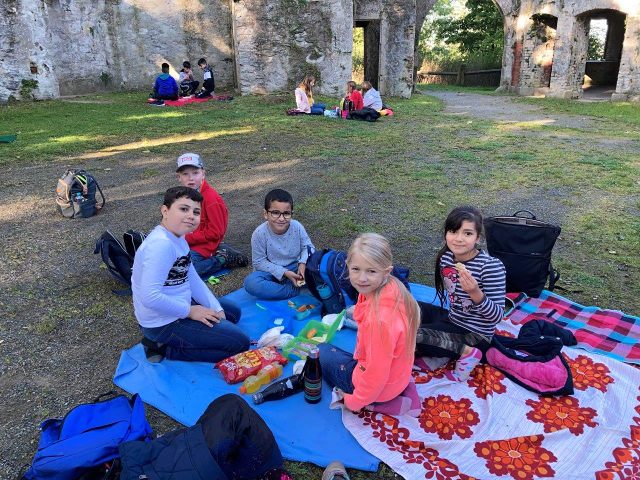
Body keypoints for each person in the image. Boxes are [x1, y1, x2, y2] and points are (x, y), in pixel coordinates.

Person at [132, 186, 250, 363]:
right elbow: (150, 297)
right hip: (163, 322)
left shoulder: (179, 237)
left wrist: (216, 308)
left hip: (180, 302)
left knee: (232, 313)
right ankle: (161, 346)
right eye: (183, 209)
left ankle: (191, 328)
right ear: (165, 211)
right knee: (239, 344)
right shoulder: (160, 245)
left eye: (196, 212)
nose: (191, 216)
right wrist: (191, 311)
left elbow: (193, 279)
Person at [318, 233, 420, 415]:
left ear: (386, 272)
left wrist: (353, 401)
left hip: (381, 390)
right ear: (348, 266)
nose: (362, 278)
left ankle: (380, 405)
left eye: (371, 271)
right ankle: (403, 390)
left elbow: (375, 375)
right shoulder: (393, 287)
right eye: (356, 269)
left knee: (321, 352)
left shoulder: (379, 322)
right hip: (399, 377)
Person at [416, 205, 506, 381]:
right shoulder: (446, 258)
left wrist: (475, 293)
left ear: (478, 238)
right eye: (453, 231)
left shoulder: (490, 267)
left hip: (476, 336)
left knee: (411, 335)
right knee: (407, 307)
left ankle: (465, 353)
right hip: (453, 320)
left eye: (467, 233)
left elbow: (496, 317)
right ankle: (441, 352)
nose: (458, 239)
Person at [175, 152, 248, 280]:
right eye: (185, 174)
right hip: (185, 242)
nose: (190, 178)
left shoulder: (211, 199)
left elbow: (216, 232)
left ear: (203, 173)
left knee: (183, 271)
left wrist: (187, 237)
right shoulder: (184, 196)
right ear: (179, 177)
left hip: (205, 246)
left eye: (195, 173)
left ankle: (222, 258)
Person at [243, 189, 314, 300]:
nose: (281, 218)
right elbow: (259, 262)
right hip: (271, 273)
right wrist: (284, 272)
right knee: (251, 283)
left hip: (295, 268)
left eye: (286, 213)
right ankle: (293, 290)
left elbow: (308, 248)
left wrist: (302, 263)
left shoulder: (297, 226)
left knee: (321, 265)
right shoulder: (259, 233)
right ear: (266, 214)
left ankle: (294, 283)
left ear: (291, 214)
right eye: (275, 213)